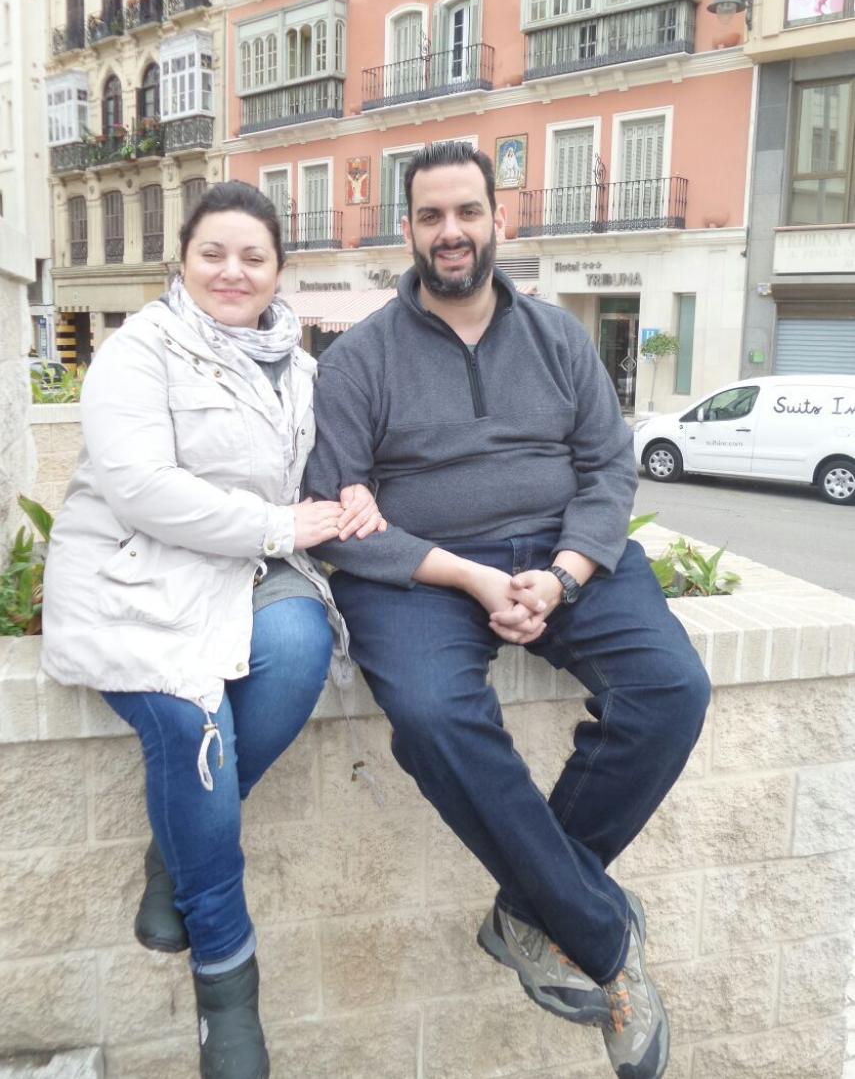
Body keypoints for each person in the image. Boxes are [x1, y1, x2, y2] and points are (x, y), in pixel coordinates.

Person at [305, 141, 710, 1079]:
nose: (451, 233)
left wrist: (564, 573)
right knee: (433, 715)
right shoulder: (357, 359)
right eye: (431, 216)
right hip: (427, 576)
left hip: (563, 554)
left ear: (500, 219)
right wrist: (470, 578)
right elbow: (331, 513)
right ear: (406, 230)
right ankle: (602, 939)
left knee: (669, 688)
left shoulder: (561, 337)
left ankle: (530, 911)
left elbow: (608, 467)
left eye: (467, 212)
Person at [41, 180, 385, 1079]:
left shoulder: (299, 367)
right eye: (214, 253)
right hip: (134, 575)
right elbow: (141, 490)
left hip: (240, 574)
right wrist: (281, 528)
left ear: (279, 272)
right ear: (182, 261)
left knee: (304, 644)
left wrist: (350, 491)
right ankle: (226, 987)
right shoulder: (136, 352)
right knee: (197, 730)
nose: (233, 271)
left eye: (253, 257)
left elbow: (325, 471)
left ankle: (174, 851)